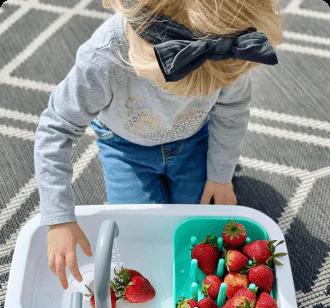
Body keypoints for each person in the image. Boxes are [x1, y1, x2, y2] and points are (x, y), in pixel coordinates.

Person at [34, 0, 283, 288]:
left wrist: (220, 175)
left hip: (193, 140)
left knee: (201, 230)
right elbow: (56, 128)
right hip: (125, 149)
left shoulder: (229, 48)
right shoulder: (102, 59)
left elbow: (232, 109)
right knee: (138, 236)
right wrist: (59, 217)